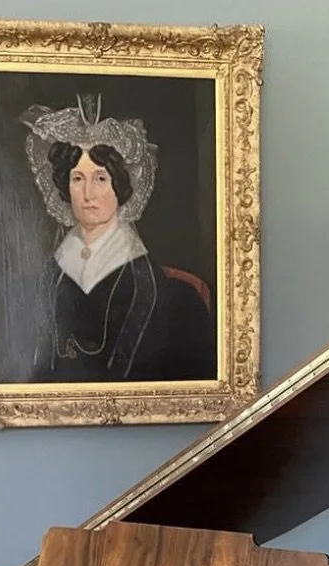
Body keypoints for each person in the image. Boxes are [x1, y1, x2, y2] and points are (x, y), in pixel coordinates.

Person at [21, 95, 215, 384]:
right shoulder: (47, 277)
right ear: (64, 186)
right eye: (77, 179)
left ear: (120, 185)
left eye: (100, 178)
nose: (88, 194)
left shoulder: (174, 297)